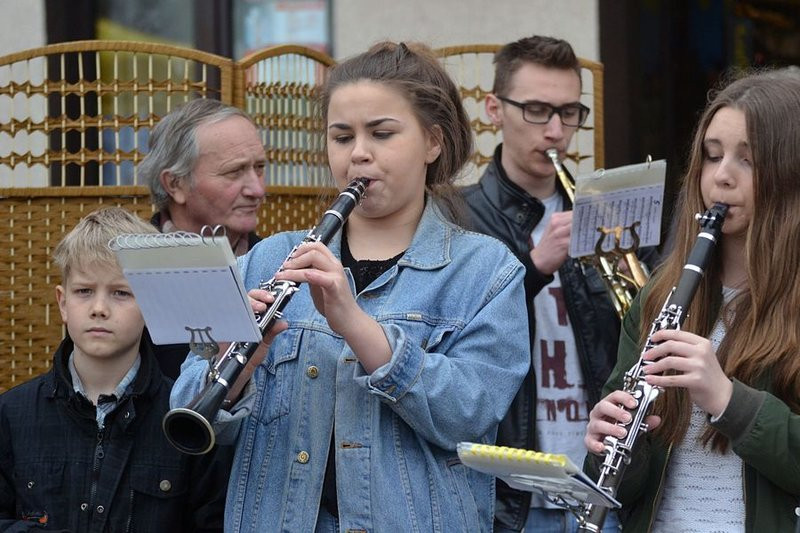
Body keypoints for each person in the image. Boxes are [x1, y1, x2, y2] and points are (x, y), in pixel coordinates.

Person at [171, 41, 530, 532]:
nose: (359, 153)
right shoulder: (267, 259)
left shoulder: (487, 271)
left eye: (382, 133)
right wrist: (236, 367)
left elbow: (469, 415)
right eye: (342, 137)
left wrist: (354, 324)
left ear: (433, 142)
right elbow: (190, 412)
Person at [584, 70, 800, 532]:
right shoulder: (658, 301)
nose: (721, 177)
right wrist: (614, 445)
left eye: (749, 159)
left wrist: (727, 399)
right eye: (712, 155)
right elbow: (622, 491)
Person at [461, 35, 638, 532]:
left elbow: (637, 335)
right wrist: (534, 268)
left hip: (601, 479)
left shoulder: (605, 216)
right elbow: (451, 338)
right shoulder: (459, 215)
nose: (556, 131)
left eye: (569, 113)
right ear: (495, 108)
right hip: (512, 489)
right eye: (537, 110)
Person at [0, 207, 229, 531]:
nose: (99, 309)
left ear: (153, 304)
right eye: (84, 291)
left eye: (121, 293)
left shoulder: (186, 423)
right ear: (63, 303)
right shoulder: (11, 415)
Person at [138, 98, 268, 379]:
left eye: (259, 168)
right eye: (234, 172)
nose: (257, 190)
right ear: (175, 184)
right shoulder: (124, 271)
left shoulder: (280, 267)